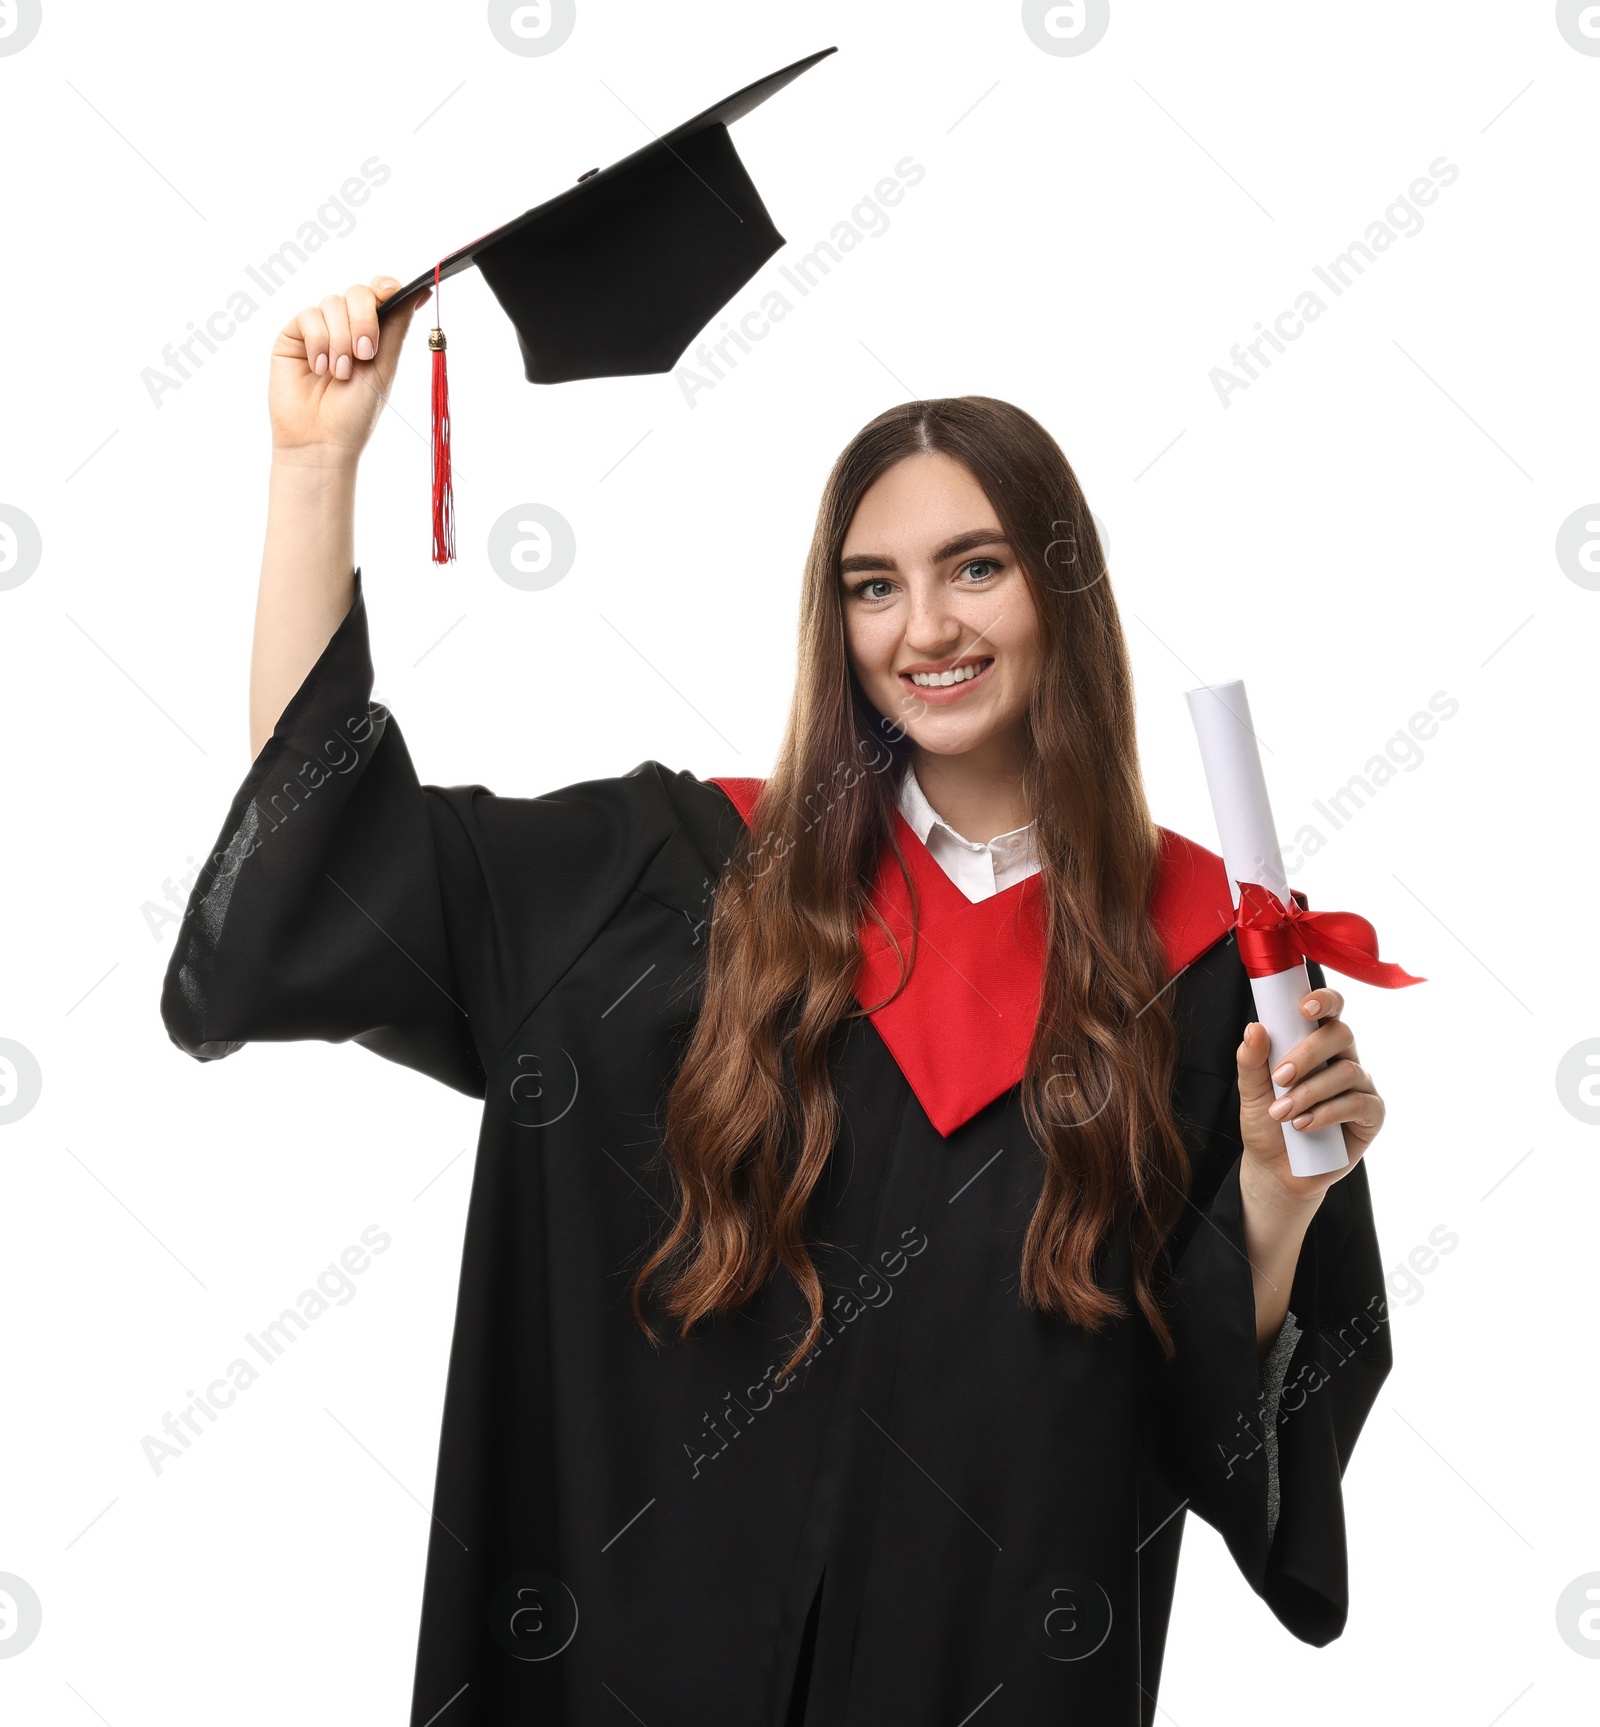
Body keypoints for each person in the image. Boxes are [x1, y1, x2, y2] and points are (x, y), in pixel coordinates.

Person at [161, 275, 1393, 1726]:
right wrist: (316, 472)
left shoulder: (1199, 964)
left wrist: (1275, 1196)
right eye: (874, 584)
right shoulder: (684, 872)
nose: (923, 626)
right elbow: (338, 866)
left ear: (1060, 587)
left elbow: (1221, 1435)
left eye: (976, 567)